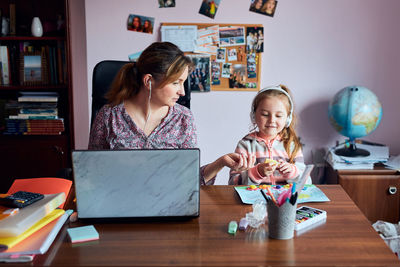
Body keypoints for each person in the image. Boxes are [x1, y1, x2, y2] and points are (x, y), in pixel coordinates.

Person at [89, 42, 255, 185]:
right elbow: (92, 173)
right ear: (148, 81)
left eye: (183, 83)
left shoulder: (183, 118)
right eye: (176, 83)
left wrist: (221, 163)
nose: (182, 92)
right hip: (120, 204)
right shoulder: (109, 116)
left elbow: (190, 181)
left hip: (169, 207)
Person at [229, 85, 308, 185]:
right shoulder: (245, 145)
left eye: (278, 115)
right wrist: (257, 173)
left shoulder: (292, 145)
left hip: (284, 200)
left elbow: (307, 181)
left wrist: (293, 173)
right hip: (255, 200)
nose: (272, 120)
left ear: (288, 119)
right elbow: (233, 183)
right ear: (253, 116)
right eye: (265, 114)